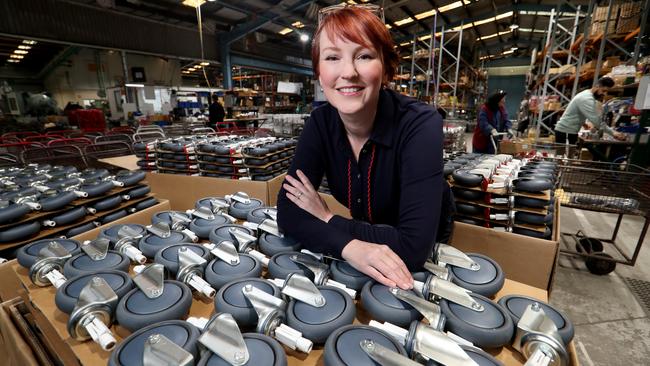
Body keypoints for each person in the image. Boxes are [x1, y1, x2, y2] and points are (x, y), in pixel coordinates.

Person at [276, 5, 445, 290]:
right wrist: (349, 246)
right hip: (364, 243)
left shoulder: (420, 124)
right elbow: (288, 212)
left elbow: (413, 247)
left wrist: (328, 219)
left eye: (364, 56)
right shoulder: (321, 123)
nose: (349, 72)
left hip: (425, 250)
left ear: (385, 67)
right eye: (332, 57)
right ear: (319, 72)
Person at [554, 77, 625, 144]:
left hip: (568, 131)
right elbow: (596, 120)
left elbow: (577, 112)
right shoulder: (587, 99)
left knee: (565, 155)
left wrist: (583, 123)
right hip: (566, 132)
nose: (604, 94)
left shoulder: (587, 94)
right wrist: (613, 133)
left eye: (606, 92)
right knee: (564, 156)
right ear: (597, 86)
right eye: (603, 91)